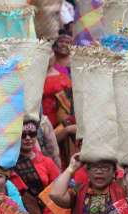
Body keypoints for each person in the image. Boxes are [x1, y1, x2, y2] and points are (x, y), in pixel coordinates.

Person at [42, 33, 76, 170]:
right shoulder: (31, 77)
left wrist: (63, 130)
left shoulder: (63, 80)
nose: (47, 57)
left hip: (56, 128)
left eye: (49, 53)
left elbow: (67, 116)